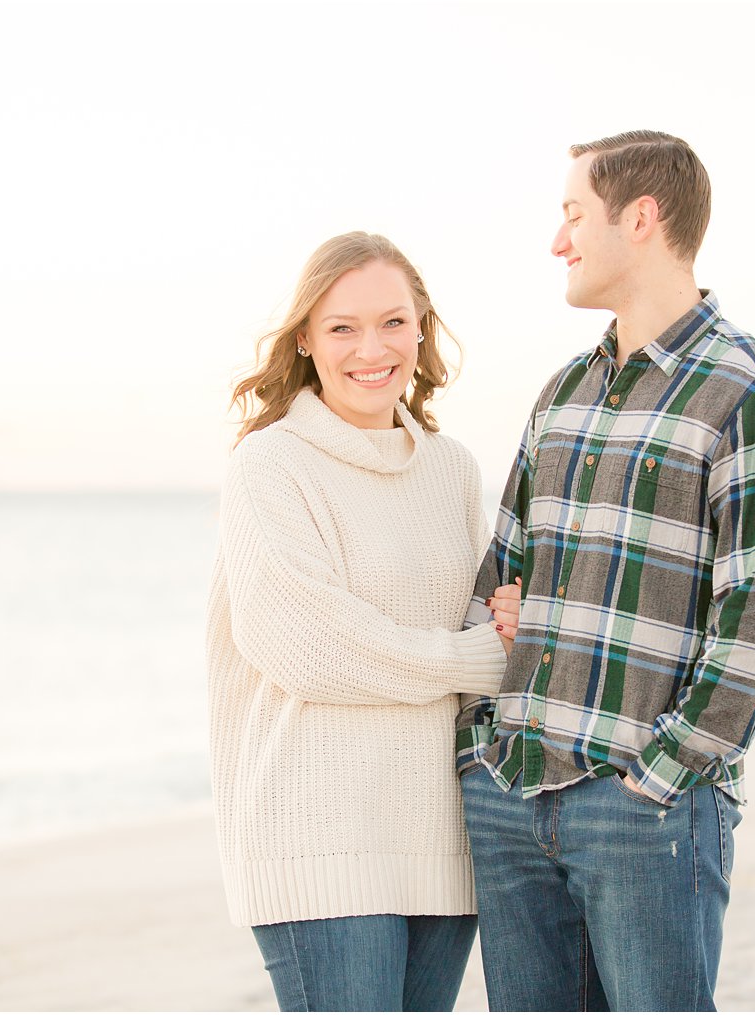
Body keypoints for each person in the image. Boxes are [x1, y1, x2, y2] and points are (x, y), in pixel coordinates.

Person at [459, 130, 755, 1012]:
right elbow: (500, 569)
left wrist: (659, 774)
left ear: (642, 218)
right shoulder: (563, 394)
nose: (559, 241)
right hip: (512, 794)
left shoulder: (750, 389)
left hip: (645, 810)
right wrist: (478, 749)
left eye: (574, 214)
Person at [206, 231, 521, 1012]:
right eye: (341, 326)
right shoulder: (269, 465)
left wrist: (504, 619)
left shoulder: (451, 469)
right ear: (306, 340)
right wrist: (476, 657)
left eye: (392, 322)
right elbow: (309, 645)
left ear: (422, 328)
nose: (369, 348)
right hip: (318, 840)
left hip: (441, 840)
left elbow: (479, 617)